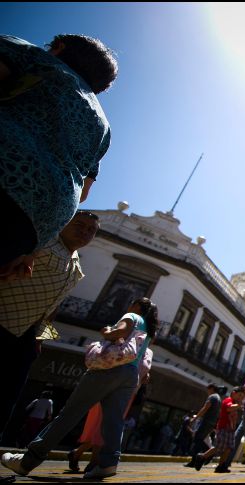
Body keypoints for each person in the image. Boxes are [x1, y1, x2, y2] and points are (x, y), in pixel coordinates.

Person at [1, 297, 157, 480]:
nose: (129, 305)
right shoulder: (147, 329)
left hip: (109, 368)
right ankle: (107, 464)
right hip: (130, 374)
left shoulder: (132, 316)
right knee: (114, 421)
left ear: (137, 306)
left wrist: (108, 331)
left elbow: (119, 332)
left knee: (69, 414)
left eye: (132, 303)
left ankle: (28, 460)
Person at [0, 34, 116, 280]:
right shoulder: (103, 127)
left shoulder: (31, 54)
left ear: (60, 47)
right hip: (36, 221)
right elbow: (83, 192)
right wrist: (32, 247)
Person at [0, 210, 100, 442]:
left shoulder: (76, 264)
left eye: (91, 230)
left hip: (25, 336)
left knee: (7, 396)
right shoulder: (42, 241)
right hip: (4, 319)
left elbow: (53, 305)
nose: (85, 232)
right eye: (80, 225)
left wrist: (41, 339)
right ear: (64, 222)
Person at [191, 386, 245, 473]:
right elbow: (229, 408)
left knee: (229, 447)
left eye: (242, 397)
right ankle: (202, 456)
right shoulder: (228, 400)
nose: (240, 398)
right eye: (239, 395)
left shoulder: (235, 403)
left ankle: (221, 466)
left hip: (230, 430)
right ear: (233, 393)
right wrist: (239, 405)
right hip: (223, 428)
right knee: (218, 446)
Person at [186, 384, 222, 466]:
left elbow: (205, 408)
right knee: (200, 440)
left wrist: (194, 419)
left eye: (208, 389)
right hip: (211, 423)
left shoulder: (212, 397)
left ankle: (195, 461)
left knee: (197, 439)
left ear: (212, 389)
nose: (207, 392)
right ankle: (208, 453)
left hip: (206, 421)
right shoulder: (219, 398)